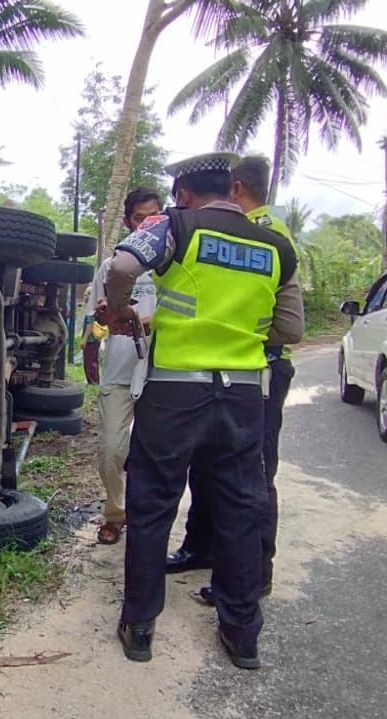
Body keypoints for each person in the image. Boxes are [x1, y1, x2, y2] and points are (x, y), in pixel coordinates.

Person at [105, 153, 303, 669]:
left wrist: (124, 310)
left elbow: (124, 266)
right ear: (232, 189)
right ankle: (242, 634)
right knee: (240, 509)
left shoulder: (177, 225)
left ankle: (141, 625)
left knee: (152, 507)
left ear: (186, 193)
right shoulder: (278, 247)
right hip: (242, 395)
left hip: (175, 392)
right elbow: (291, 331)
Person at [168, 157, 303, 603]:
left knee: (252, 477)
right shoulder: (249, 232)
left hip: (256, 370)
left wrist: (235, 327)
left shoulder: (269, 236)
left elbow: (291, 328)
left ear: (236, 188)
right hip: (227, 371)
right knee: (209, 465)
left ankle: (251, 573)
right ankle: (201, 548)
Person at [85, 188, 163, 545]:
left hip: (162, 372)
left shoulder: (171, 267)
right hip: (118, 371)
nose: (146, 224)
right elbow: (96, 321)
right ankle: (116, 513)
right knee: (111, 451)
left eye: (154, 216)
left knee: (156, 454)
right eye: (139, 217)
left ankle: (149, 522)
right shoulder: (112, 266)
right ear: (128, 221)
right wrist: (99, 331)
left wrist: (141, 322)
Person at [80, 285, 103, 385]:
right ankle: (91, 380)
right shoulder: (91, 308)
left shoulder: (92, 309)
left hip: (91, 339)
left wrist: (84, 339)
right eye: (85, 294)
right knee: (91, 359)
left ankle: (93, 381)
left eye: (89, 294)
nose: (86, 296)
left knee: (90, 361)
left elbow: (90, 325)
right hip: (93, 339)